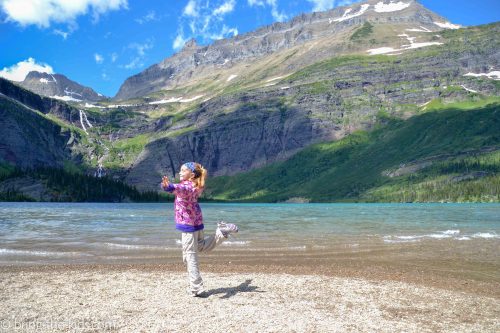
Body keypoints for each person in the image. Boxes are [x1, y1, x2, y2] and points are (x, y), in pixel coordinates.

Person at [161, 162, 238, 297]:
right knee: (200, 247)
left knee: (190, 256)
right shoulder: (197, 185)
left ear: (191, 175)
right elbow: (181, 188)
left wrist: (168, 186)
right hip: (197, 223)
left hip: (188, 226)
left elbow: (179, 189)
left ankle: (196, 287)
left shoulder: (187, 186)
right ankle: (221, 232)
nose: (179, 173)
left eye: (183, 171)